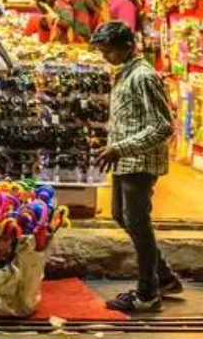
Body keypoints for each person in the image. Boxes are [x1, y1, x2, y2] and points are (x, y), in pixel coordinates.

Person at [91, 22, 183, 313]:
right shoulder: (125, 74)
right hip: (125, 160)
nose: (106, 57)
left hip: (139, 162)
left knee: (138, 223)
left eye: (109, 51)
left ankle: (148, 293)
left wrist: (120, 147)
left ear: (127, 47)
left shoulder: (143, 76)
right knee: (123, 216)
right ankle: (164, 277)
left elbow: (163, 126)